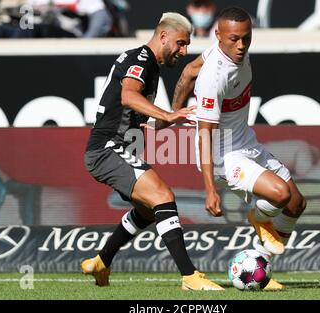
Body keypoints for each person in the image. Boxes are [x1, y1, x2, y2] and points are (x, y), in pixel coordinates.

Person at [80, 12, 223, 291]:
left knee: (147, 211)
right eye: (181, 44)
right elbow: (128, 96)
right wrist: (168, 116)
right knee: (163, 196)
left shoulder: (151, 67)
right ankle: (190, 276)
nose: (183, 51)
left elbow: (147, 122)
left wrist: (174, 117)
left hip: (116, 147)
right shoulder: (141, 59)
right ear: (163, 36)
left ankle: (101, 261)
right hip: (107, 148)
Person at [172, 7, 307, 290]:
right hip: (223, 156)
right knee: (280, 195)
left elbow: (187, 72)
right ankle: (256, 217)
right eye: (234, 39)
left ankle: (262, 266)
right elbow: (204, 137)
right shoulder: (214, 77)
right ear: (218, 35)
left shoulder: (220, 51)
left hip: (246, 142)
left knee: (296, 203)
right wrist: (209, 189)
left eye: (246, 38)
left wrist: (175, 111)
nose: (241, 46)